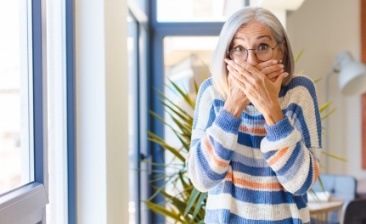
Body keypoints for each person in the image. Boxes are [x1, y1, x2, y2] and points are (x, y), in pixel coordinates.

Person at [186, 6, 322, 224]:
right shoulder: (212, 93)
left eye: (263, 46)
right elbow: (201, 179)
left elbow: (302, 182)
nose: (251, 61)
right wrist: (233, 106)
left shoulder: (299, 92)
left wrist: (271, 109)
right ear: (226, 54)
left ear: (281, 51)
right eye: (239, 48)